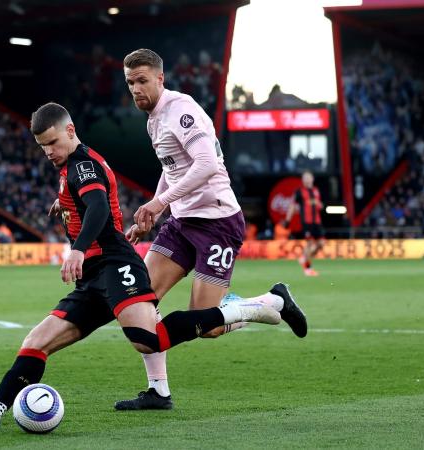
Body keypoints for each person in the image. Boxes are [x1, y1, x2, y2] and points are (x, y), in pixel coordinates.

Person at [0, 102, 291, 429]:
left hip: (114, 263)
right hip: (93, 277)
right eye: (42, 146)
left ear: (70, 131)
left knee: (146, 339)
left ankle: (252, 308)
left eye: (52, 142)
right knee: (37, 340)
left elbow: (98, 209)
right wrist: (63, 204)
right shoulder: (71, 168)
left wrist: (77, 249)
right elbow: (83, 199)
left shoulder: (82, 164)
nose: (48, 151)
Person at [115, 48, 308, 410]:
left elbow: (206, 164)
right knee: (141, 302)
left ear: (160, 78)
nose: (136, 89)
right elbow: (171, 168)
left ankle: (273, 301)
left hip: (217, 222)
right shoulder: (154, 118)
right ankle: (158, 391)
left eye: (142, 81)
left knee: (210, 325)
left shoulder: (180, 110)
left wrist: (158, 203)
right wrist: (156, 212)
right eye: (130, 83)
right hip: (182, 222)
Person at [284, 171, 325, 276]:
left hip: (317, 222)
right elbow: (292, 206)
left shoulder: (316, 191)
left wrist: (318, 204)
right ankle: (307, 269)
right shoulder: (299, 192)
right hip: (307, 222)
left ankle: (304, 258)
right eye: (304, 178)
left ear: (312, 179)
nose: (306, 179)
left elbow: (320, 205)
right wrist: (288, 220)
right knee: (310, 243)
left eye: (308, 177)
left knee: (321, 244)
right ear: (302, 180)